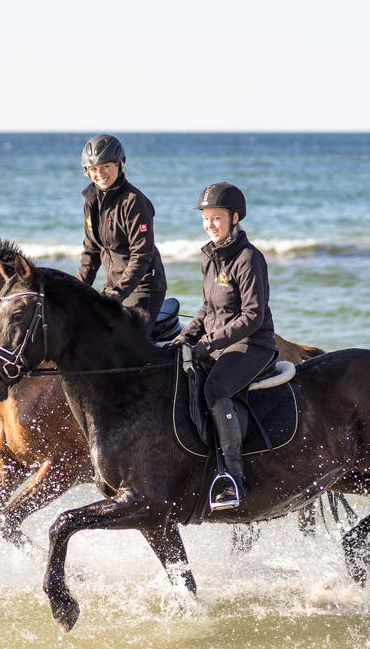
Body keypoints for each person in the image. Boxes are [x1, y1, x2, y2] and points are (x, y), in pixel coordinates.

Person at [170, 182, 279, 510]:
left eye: (216, 218)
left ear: (234, 218)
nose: (210, 224)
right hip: (219, 345)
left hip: (252, 345)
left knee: (216, 389)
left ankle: (233, 478)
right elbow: (206, 309)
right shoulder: (211, 258)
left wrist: (207, 343)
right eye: (206, 218)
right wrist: (183, 339)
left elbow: (252, 316)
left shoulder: (249, 258)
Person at [77, 134, 167, 323]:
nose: (100, 173)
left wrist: (119, 292)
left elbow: (141, 255)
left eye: (105, 166)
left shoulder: (134, 201)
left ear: (119, 164)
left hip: (143, 286)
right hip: (113, 287)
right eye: (94, 169)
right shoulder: (90, 202)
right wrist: (75, 289)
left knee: (122, 337)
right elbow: (91, 251)